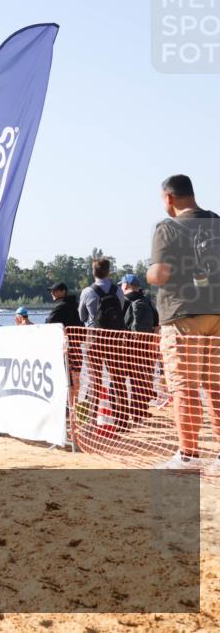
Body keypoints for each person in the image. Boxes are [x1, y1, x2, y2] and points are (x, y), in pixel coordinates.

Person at [147, 174, 220, 471]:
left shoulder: (168, 227)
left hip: (182, 315)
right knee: (216, 387)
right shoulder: (216, 222)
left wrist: (150, 274)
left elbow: (160, 274)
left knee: (184, 388)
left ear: (169, 198)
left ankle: (188, 455)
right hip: (217, 312)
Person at [78, 258, 128, 427]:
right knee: (118, 379)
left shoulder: (87, 291)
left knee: (95, 380)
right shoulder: (118, 291)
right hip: (114, 338)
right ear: (109, 271)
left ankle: (92, 420)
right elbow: (120, 310)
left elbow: (82, 316)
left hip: (94, 338)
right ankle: (122, 421)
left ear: (93, 272)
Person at [120, 274, 159, 423]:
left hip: (125, 345)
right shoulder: (147, 301)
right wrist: (152, 344)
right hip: (144, 346)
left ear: (126, 286)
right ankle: (138, 413)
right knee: (140, 379)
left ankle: (121, 415)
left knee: (120, 380)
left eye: (122, 285)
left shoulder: (123, 301)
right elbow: (156, 324)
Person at [46, 281, 84, 405]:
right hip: (77, 344)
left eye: (55, 290)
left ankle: (69, 405)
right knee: (76, 377)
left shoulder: (61, 306)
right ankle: (74, 404)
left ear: (63, 291)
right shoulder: (75, 304)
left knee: (65, 378)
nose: (52, 293)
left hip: (66, 347)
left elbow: (49, 322)